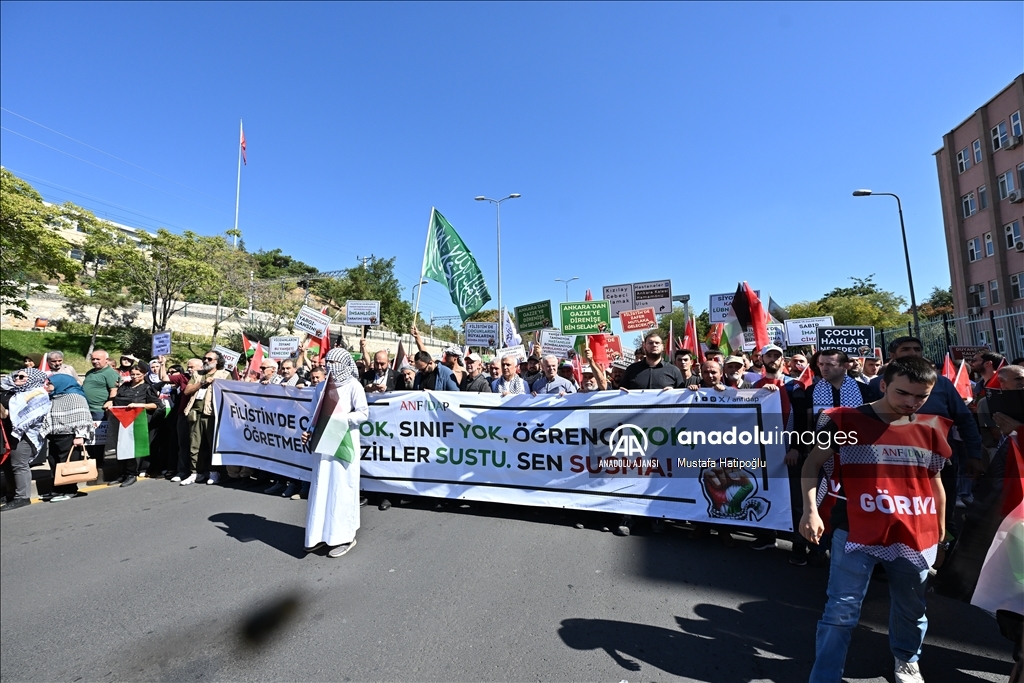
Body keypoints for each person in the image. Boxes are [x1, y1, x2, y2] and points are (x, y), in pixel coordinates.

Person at [800, 357, 951, 683]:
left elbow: (935, 481)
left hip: (914, 531)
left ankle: (907, 660)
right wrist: (810, 510)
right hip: (854, 527)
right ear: (883, 385)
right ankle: (824, 676)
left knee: (912, 607)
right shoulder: (840, 420)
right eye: (903, 394)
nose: (911, 403)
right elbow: (812, 465)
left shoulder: (932, 427)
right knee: (841, 609)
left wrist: (940, 531)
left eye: (920, 396)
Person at [302, 349, 369, 558]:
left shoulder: (353, 386)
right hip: (323, 444)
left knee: (341, 488)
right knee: (322, 486)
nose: (331, 365)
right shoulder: (321, 387)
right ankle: (319, 535)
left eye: (334, 362)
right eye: (327, 361)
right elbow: (314, 415)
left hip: (344, 444)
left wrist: (340, 418)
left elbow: (363, 414)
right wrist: (309, 432)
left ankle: (345, 537)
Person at [41, 374, 95, 502]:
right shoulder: (53, 397)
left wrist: (80, 435)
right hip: (54, 434)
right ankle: (58, 489)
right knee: (54, 461)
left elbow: (82, 416)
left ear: (60, 383)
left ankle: (70, 490)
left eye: (49, 383)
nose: (47, 386)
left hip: (69, 436)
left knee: (68, 463)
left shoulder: (75, 396)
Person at [180, 351, 231, 485]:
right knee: (194, 445)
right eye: (204, 358)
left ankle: (214, 472)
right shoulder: (198, 375)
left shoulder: (224, 375)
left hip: (212, 415)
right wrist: (202, 383)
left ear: (217, 361)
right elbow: (187, 391)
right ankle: (195, 472)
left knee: (212, 445)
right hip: (195, 413)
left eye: (209, 358)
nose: (206, 360)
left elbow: (230, 395)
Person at [2, 369, 50, 512]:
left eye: (22, 376)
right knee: (7, 465)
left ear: (32, 379)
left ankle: (22, 497)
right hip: (9, 433)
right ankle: (11, 494)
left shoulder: (38, 394)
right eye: (16, 375)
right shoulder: (14, 392)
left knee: (19, 464)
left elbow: (21, 416)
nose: (17, 378)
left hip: (26, 434)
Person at [106, 362, 160, 487]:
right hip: (119, 420)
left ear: (144, 374)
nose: (135, 377)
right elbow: (116, 399)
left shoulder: (147, 387)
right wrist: (110, 403)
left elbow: (155, 405)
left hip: (136, 422)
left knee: (131, 448)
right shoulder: (125, 386)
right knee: (120, 446)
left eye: (138, 374)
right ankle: (121, 474)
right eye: (132, 374)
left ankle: (131, 474)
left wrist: (139, 405)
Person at [82, 349, 120, 420]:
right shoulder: (90, 372)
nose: (95, 361)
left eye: (98, 359)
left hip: (99, 410)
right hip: (86, 408)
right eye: (93, 359)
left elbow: (114, 389)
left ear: (107, 360)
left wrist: (110, 401)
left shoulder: (110, 373)